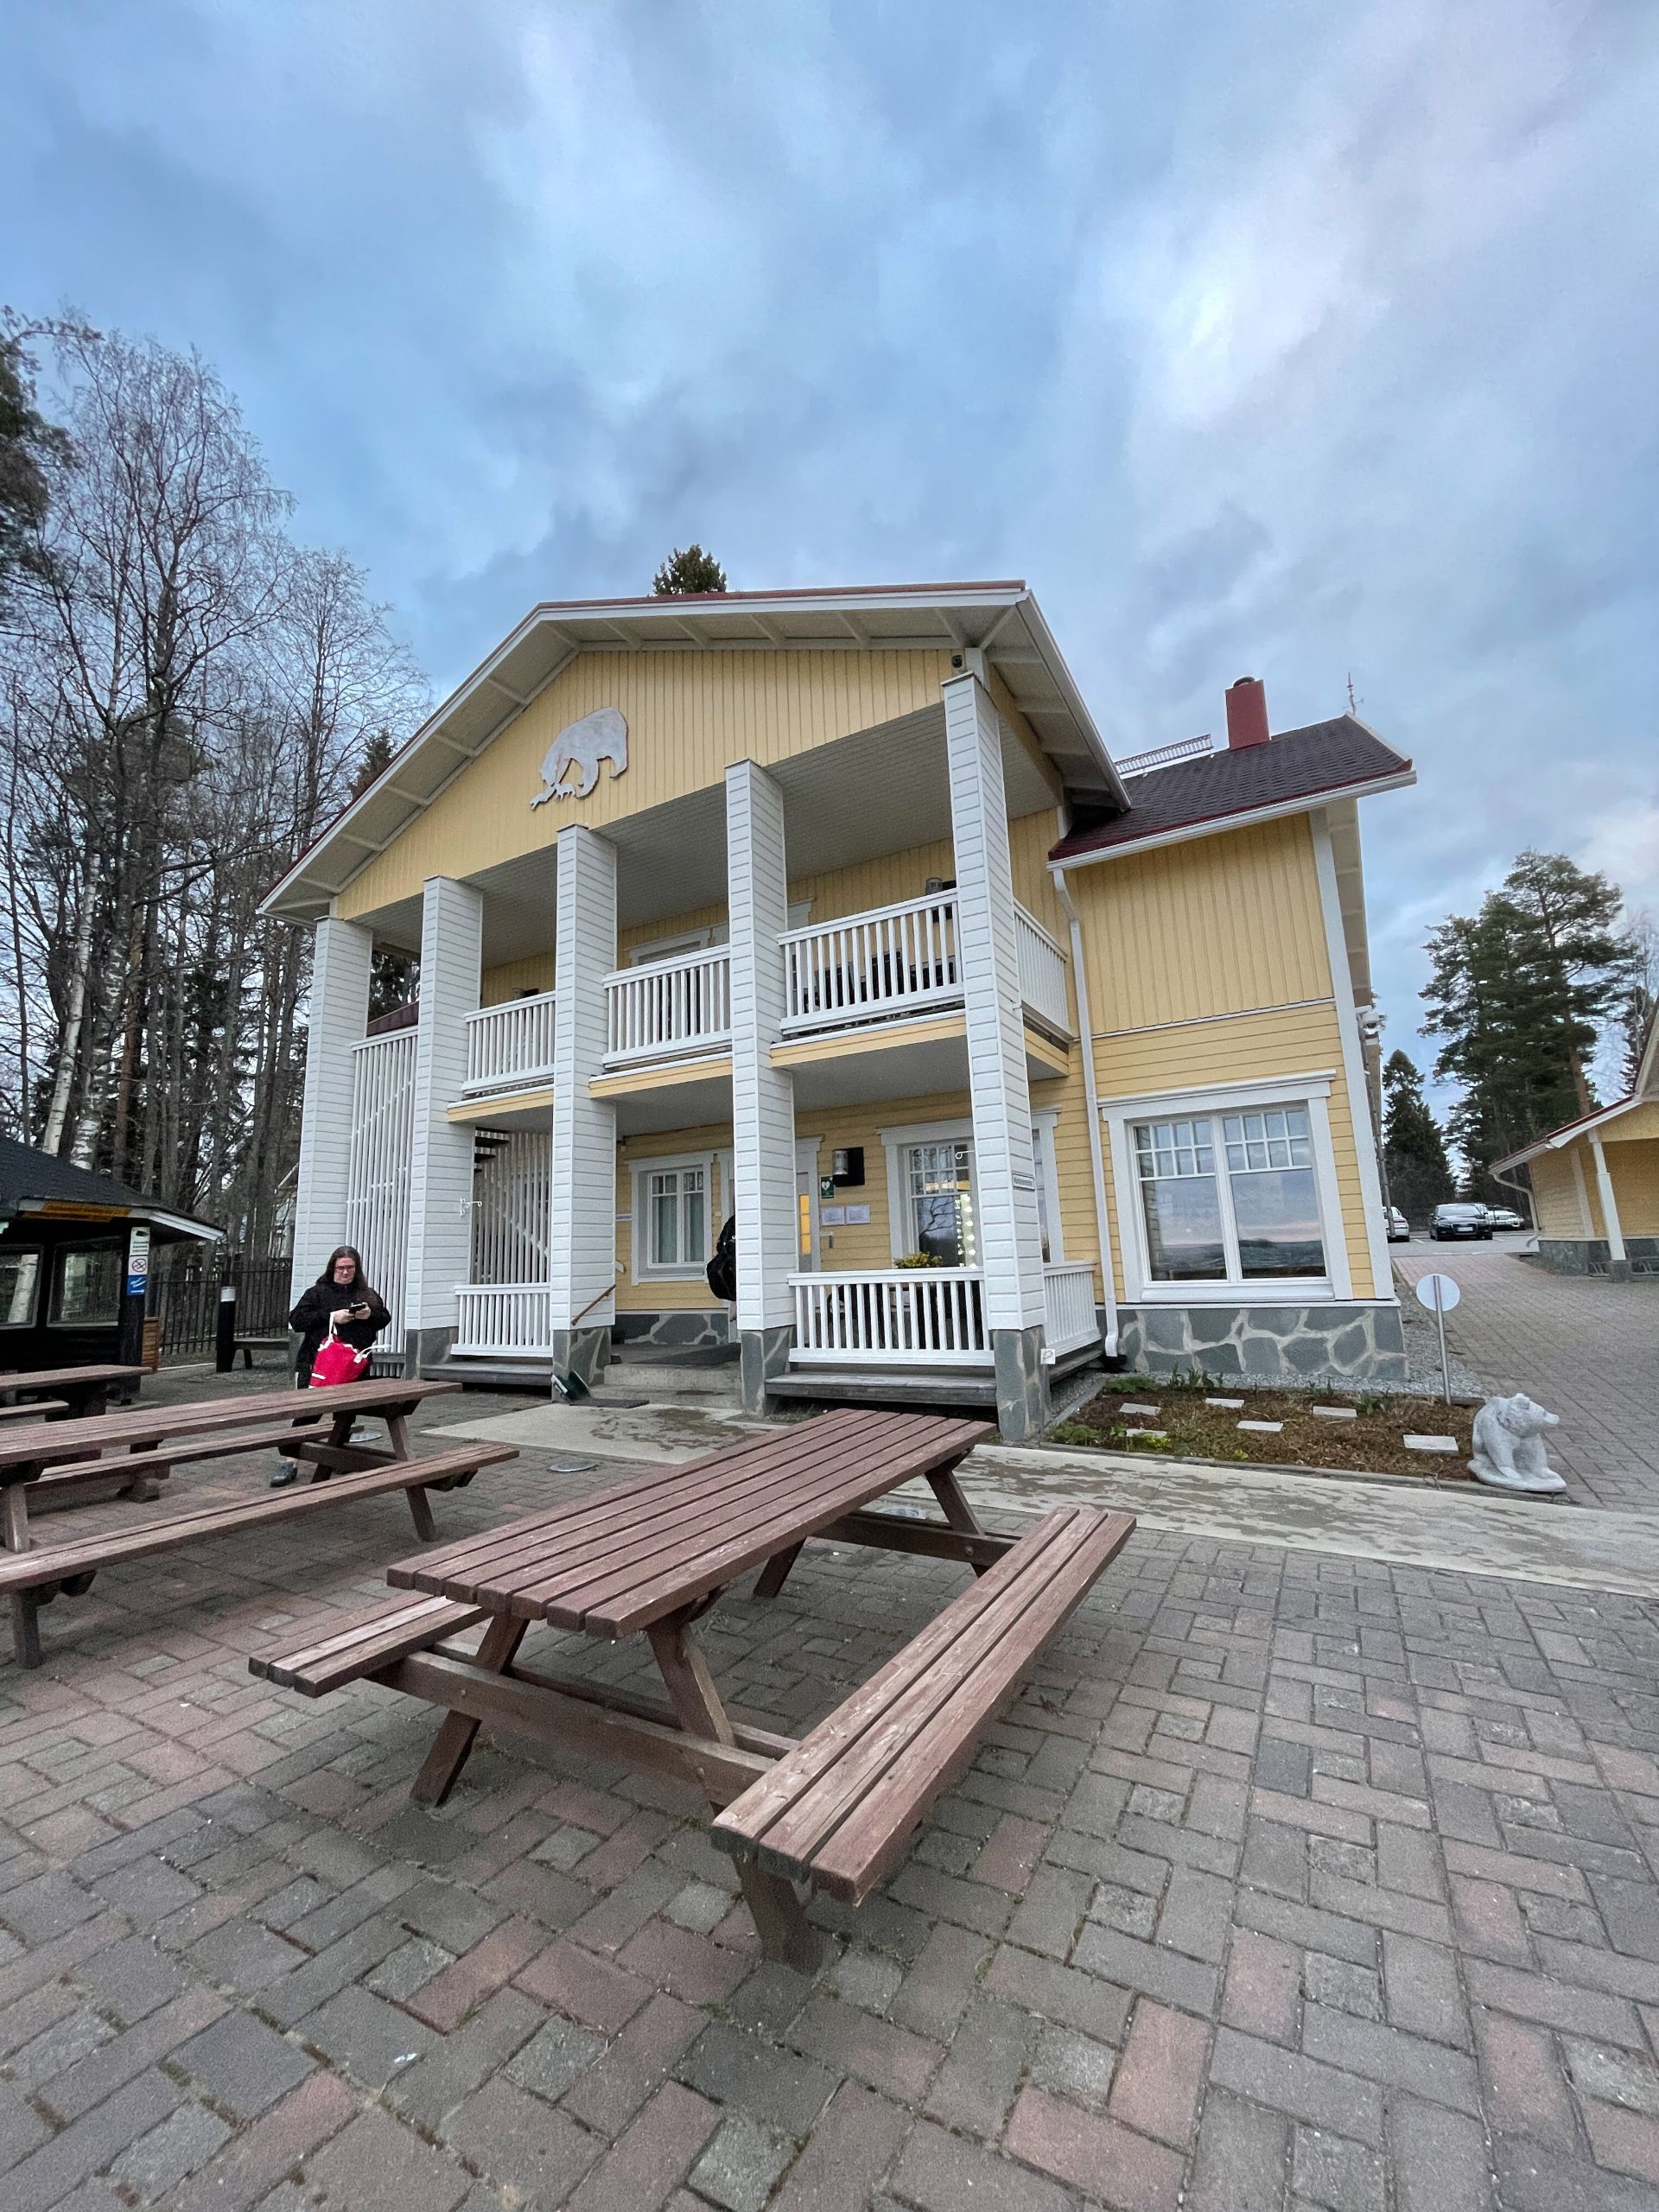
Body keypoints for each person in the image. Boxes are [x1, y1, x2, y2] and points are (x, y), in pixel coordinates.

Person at [276, 1247, 389, 1486]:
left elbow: (384, 1318)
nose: (345, 1272)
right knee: (308, 1413)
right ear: (332, 1268)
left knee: (345, 1415)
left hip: (353, 1366)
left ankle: (337, 1456)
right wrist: (331, 1316)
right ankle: (289, 1460)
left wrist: (369, 1315)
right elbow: (297, 1320)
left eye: (350, 1268)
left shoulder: (366, 1294)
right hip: (317, 1364)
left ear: (356, 1269)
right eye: (341, 1268)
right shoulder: (317, 1293)